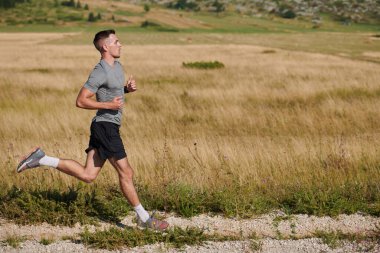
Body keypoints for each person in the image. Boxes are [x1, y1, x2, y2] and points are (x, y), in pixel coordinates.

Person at [16, 29, 169, 231]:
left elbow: (110, 92)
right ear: (105, 46)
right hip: (105, 127)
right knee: (126, 172)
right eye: (116, 41)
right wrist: (108, 106)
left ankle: (42, 158)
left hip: (105, 127)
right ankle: (145, 220)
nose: (120, 44)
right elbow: (80, 101)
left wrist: (125, 90)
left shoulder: (118, 66)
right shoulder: (100, 71)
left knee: (88, 175)